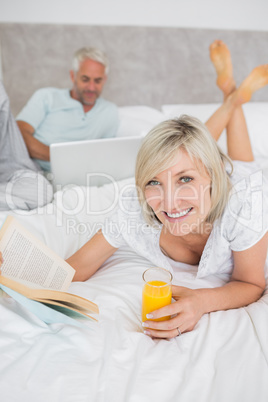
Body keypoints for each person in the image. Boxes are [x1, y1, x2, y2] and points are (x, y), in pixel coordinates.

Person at [64, 40, 268, 338]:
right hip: (210, 169)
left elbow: (251, 284)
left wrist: (202, 301)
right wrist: (19, 269)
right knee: (185, 152)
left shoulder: (245, 204)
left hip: (239, 184)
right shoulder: (134, 210)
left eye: (185, 180)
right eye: (153, 182)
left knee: (243, 165)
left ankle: (231, 97)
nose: (169, 203)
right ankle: (232, 96)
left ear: (214, 176)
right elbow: (76, 266)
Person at [16, 47, 119, 172]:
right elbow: (18, 134)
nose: (91, 88)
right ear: (73, 76)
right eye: (85, 79)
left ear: (105, 80)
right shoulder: (46, 97)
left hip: (79, 176)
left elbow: (107, 155)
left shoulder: (110, 112)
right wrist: (62, 157)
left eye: (97, 81)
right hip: (33, 169)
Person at [0, 81, 53, 210]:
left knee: (41, 191)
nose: (91, 87)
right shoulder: (46, 97)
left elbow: (13, 157)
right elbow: (23, 131)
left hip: (8, 173)